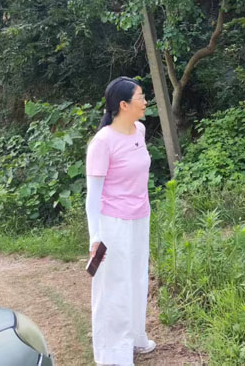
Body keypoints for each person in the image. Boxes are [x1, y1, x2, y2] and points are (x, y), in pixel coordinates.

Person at [86, 76, 156, 366]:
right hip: (113, 223)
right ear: (124, 105)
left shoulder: (139, 130)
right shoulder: (102, 143)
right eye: (140, 97)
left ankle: (136, 337)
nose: (145, 102)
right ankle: (113, 353)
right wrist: (95, 237)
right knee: (114, 286)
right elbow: (93, 197)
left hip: (140, 217)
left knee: (137, 278)